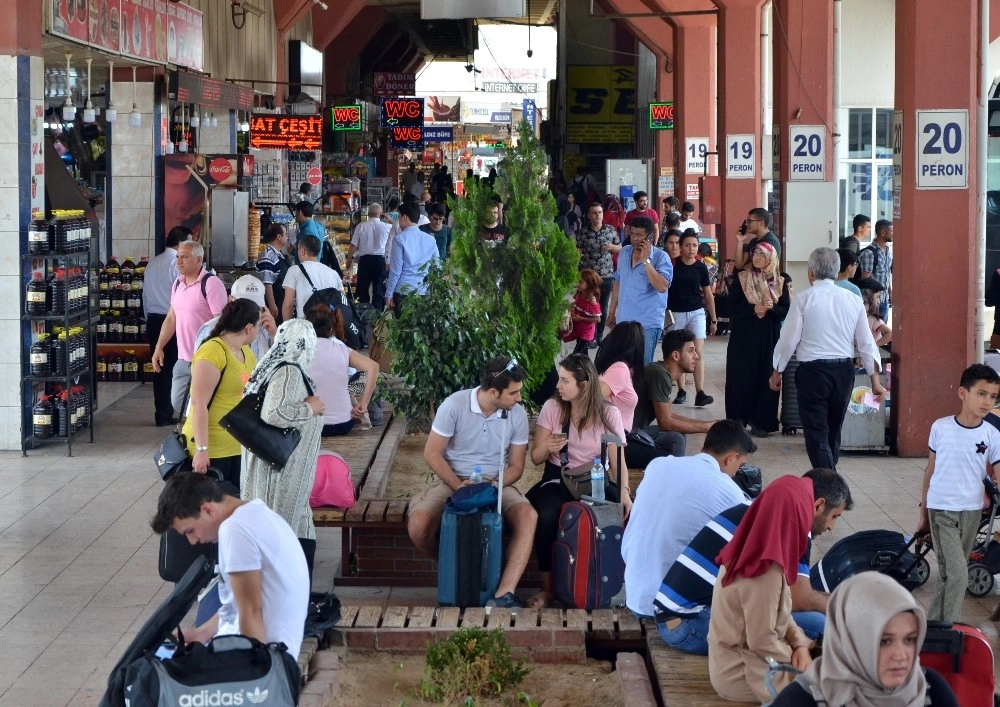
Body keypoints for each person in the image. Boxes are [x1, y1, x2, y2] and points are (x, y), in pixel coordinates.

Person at [654, 468, 852, 655]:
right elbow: (798, 597)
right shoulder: (794, 520)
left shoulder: (762, 506)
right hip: (690, 623)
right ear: (818, 505)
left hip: (675, 617)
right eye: (834, 516)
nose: (831, 527)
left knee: (802, 620)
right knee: (821, 625)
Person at [408, 357, 538, 609]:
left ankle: (503, 593)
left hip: (496, 481)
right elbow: (431, 454)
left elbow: (517, 467)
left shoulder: (517, 414)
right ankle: (457, 568)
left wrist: (495, 484)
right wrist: (458, 485)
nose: (519, 398)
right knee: (418, 525)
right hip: (453, 480)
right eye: (514, 393)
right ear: (493, 392)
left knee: (527, 515)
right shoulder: (454, 405)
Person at [150, 473, 309, 658]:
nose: (192, 541)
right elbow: (238, 605)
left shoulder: (235, 530)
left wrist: (251, 675)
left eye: (190, 531)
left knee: (149, 674)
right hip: (265, 649)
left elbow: (250, 611)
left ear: (208, 510)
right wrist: (202, 633)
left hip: (265, 657)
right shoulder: (254, 513)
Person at [622, 420, 755, 618]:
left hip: (634, 597)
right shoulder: (729, 491)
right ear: (731, 458)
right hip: (671, 610)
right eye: (739, 465)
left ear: (703, 449)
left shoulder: (658, 465)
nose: (736, 473)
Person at [526, 354, 628, 608]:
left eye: (564, 381)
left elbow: (618, 462)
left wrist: (625, 493)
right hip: (557, 477)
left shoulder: (609, 414)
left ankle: (614, 583)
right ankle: (548, 587)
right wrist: (548, 446)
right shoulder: (553, 408)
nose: (558, 386)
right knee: (546, 515)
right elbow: (536, 457)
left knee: (627, 513)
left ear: (583, 385)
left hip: (595, 479)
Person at [770, 247, 886, 469]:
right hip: (843, 372)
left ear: (811, 272)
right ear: (835, 271)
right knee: (833, 430)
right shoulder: (853, 300)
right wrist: (875, 381)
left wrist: (777, 371)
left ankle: (828, 483)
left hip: (812, 373)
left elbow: (788, 340)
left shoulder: (804, 299)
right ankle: (830, 483)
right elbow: (866, 343)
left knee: (816, 432)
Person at [771, 572, 959, 707]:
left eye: (909, 640)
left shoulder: (930, 689)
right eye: (884, 641)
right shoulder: (803, 700)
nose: (901, 656)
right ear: (851, 641)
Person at [708, 475, 817, 703]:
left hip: (749, 663)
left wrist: (800, 643)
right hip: (746, 674)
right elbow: (762, 642)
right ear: (795, 517)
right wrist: (797, 653)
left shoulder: (754, 547)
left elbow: (781, 615)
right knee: (839, 688)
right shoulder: (763, 571)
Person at [240, 319, 326, 580]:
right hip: (279, 476)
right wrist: (310, 409)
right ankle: (290, 603)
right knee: (282, 538)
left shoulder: (270, 366)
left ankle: (299, 602)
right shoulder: (288, 370)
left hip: (284, 471)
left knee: (299, 530)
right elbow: (273, 412)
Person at [916, 363, 1000, 622]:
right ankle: (948, 628)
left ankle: (933, 628)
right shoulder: (940, 428)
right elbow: (930, 471)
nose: (987, 402)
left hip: (972, 512)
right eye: (981, 394)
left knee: (948, 574)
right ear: (963, 393)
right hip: (941, 510)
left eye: (993, 397)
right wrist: (923, 514)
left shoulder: (992, 434)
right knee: (959, 575)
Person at [181, 299, 260, 490]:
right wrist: (202, 450)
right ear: (250, 328)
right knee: (211, 510)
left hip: (237, 444)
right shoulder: (212, 352)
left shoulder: (246, 352)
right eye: (258, 326)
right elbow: (198, 404)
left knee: (234, 506)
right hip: (212, 448)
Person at [152, 240, 228, 417]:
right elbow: (171, 317)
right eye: (178, 256)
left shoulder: (211, 284)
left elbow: (221, 323)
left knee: (201, 403)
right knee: (178, 400)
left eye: (184, 257)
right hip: (184, 357)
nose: (179, 261)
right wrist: (159, 347)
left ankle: (200, 434)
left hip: (206, 359)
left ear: (199, 259)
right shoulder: (178, 283)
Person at [725, 241, 790, 437]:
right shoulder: (742, 278)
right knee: (741, 377)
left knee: (766, 376)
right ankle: (738, 420)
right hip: (743, 336)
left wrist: (771, 308)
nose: (757, 258)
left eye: (762, 255)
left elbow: (785, 310)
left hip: (768, 337)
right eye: (755, 255)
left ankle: (762, 421)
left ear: (771, 258)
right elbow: (730, 308)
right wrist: (753, 309)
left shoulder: (781, 281)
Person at [633, 330, 715, 458]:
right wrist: (705, 428)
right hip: (623, 437)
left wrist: (708, 425)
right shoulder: (659, 374)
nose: (696, 356)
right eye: (691, 351)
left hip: (632, 432)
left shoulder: (662, 372)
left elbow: (670, 415)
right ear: (675, 355)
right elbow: (665, 423)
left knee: (679, 433)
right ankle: (673, 474)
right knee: (675, 438)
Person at [305, 304, 378, 437]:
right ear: (331, 328)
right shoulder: (342, 349)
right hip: (344, 424)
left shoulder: (301, 351)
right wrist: (364, 403)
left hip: (313, 426)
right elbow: (373, 367)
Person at [607, 216, 673, 363]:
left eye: (639, 235)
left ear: (649, 236)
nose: (635, 238)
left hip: (647, 323)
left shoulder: (661, 257)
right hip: (624, 320)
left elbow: (662, 286)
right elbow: (618, 281)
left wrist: (646, 261)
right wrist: (612, 312)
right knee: (623, 367)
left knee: (642, 367)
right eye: (632, 234)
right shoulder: (624, 252)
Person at [668, 232, 718, 407]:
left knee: (697, 352)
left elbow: (708, 294)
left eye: (694, 245)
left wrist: (714, 319)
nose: (691, 249)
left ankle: (700, 392)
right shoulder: (672, 265)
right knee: (679, 353)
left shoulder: (701, 267)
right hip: (676, 313)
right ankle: (681, 390)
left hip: (696, 312)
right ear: (681, 247)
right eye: (687, 245)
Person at [144, 225, 187, 426]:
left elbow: (144, 296)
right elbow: (182, 296)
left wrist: (147, 318)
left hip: (153, 320)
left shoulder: (152, 263)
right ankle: (176, 410)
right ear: (180, 244)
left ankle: (162, 414)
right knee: (177, 368)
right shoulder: (175, 265)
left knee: (160, 369)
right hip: (171, 321)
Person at [194, 275, 275, 359]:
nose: (250, 311)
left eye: (256, 306)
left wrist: (275, 334)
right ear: (230, 300)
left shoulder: (265, 329)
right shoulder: (209, 329)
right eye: (244, 306)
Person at [576, 202, 621, 347]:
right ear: (589, 215)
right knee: (589, 304)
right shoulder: (583, 233)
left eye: (600, 212)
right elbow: (578, 252)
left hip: (606, 275)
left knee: (603, 306)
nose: (598, 215)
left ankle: (599, 336)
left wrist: (612, 247)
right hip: (589, 277)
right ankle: (589, 336)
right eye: (594, 213)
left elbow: (620, 247)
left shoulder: (610, 230)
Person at [385, 201, 440, 314]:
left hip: (403, 292)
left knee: (403, 329)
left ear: (405, 217)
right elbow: (437, 266)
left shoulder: (399, 239)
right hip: (424, 291)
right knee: (419, 329)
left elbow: (396, 271)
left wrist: (388, 294)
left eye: (399, 216)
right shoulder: (430, 239)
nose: (398, 220)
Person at [281, 233, 343, 321]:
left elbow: (288, 304)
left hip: (305, 327)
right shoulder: (333, 273)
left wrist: (287, 329)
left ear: (302, 251)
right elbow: (341, 302)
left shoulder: (294, 270)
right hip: (329, 327)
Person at [346, 202, 391, 310]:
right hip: (381, 261)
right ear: (381, 214)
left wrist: (348, 260)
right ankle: (377, 315)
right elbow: (399, 230)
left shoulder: (361, 226)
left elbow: (353, 245)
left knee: (362, 288)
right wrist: (390, 220)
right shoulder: (387, 227)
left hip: (365, 260)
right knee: (379, 289)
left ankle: (362, 312)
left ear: (368, 214)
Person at [857, 219, 893, 321]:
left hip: (884, 300)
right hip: (874, 303)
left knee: (882, 333)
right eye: (892, 231)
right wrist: (871, 304)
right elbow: (866, 280)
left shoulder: (887, 250)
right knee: (874, 334)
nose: (894, 234)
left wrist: (890, 292)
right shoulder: (870, 253)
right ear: (883, 233)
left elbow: (886, 273)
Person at [563, 269, 603, 355]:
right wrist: (570, 307)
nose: (577, 284)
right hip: (579, 329)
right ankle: (587, 368)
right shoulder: (579, 293)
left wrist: (580, 318)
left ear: (589, 284)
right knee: (583, 355)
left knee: (575, 355)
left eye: (581, 282)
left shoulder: (592, 300)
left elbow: (597, 319)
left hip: (586, 333)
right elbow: (576, 303)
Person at [257, 223, 291, 322]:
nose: (287, 237)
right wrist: (272, 305)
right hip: (274, 304)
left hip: (281, 302)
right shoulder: (268, 255)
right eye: (286, 234)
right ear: (279, 237)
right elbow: (267, 283)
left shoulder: (278, 254)